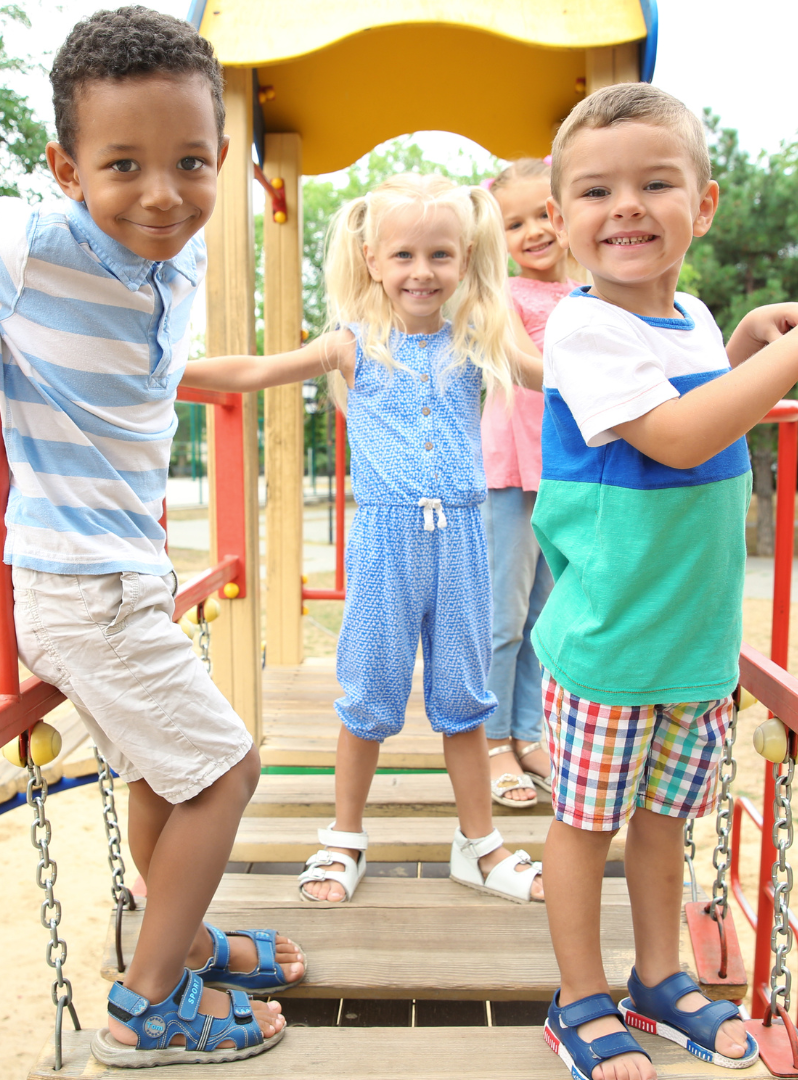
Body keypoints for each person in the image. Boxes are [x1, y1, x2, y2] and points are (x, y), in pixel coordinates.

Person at [0, 7, 306, 1068]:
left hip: (125, 574)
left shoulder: (182, 256)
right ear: (67, 169)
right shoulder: (36, 238)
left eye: (192, 163)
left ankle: (185, 937)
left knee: (169, 775)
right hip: (77, 580)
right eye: (124, 166)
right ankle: (146, 1005)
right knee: (225, 771)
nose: (163, 195)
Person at [534, 83, 798, 1080]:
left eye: (655, 183)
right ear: (560, 221)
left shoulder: (687, 313)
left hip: (690, 637)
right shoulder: (581, 324)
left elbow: (689, 397)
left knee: (663, 820)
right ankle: (579, 998)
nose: (626, 206)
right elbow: (680, 439)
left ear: (705, 202)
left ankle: (656, 975)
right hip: (610, 637)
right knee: (586, 825)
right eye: (595, 191)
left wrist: (730, 351)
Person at [184, 173, 546, 905]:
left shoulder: (475, 338)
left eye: (440, 255)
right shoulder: (353, 346)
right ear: (371, 258)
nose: (422, 271)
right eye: (404, 255)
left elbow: (552, 376)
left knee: (466, 698)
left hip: (463, 542)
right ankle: (345, 835)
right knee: (370, 695)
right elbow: (255, 371)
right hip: (385, 542)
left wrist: (664, 376)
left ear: (466, 255)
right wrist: (162, 374)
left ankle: (479, 846)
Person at [481, 158, 580, 809]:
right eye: (515, 223)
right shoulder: (504, 295)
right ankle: (492, 741)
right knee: (504, 616)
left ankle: (528, 727)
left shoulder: (589, 295)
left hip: (567, 469)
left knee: (548, 614)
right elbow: (520, 363)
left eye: (546, 212)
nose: (535, 230)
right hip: (513, 468)